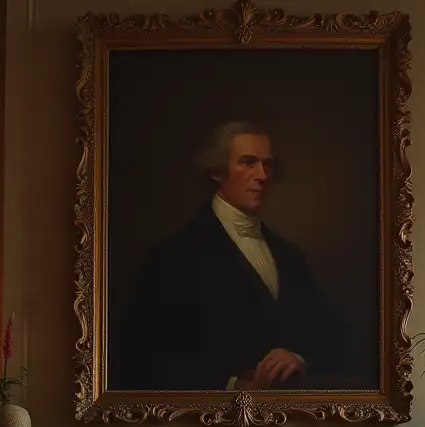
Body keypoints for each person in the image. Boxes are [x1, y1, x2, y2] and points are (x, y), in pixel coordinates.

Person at [115, 121, 358, 390]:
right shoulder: (174, 256)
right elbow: (143, 359)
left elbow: (335, 341)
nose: (263, 175)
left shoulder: (290, 256)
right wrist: (233, 385)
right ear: (217, 172)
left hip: (294, 423)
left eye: (267, 164)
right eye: (248, 163)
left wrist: (299, 358)